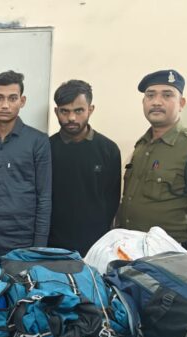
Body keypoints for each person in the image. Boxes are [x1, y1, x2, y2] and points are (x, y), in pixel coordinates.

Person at [117, 69, 187, 257]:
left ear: (181, 103)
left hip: (171, 257)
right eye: (150, 95)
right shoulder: (141, 146)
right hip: (131, 252)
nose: (156, 102)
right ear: (144, 102)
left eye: (167, 95)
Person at [0, 70, 51, 260]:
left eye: (12, 98)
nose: (5, 105)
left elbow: (44, 199)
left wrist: (39, 249)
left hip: (23, 248)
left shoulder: (38, 141)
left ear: (22, 101)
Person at [48, 80, 121, 256]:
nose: (71, 118)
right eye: (65, 111)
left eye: (78, 110)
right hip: (53, 243)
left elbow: (111, 199)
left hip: (95, 245)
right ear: (56, 111)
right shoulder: (46, 148)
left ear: (90, 109)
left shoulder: (108, 149)